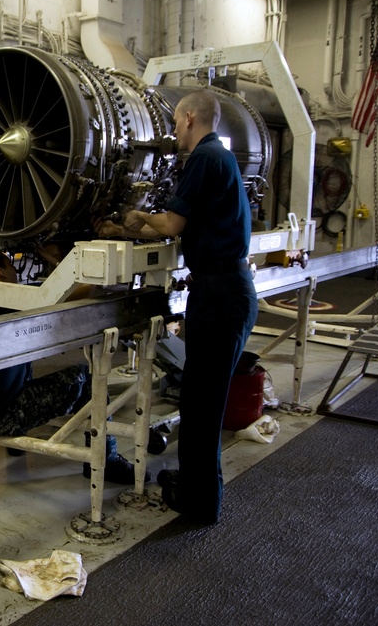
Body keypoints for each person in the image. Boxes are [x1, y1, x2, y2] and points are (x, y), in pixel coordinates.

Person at [95, 88, 259, 524]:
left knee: (203, 404)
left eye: (174, 122)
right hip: (225, 288)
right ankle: (196, 489)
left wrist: (135, 220)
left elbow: (171, 223)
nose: (172, 130)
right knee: (202, 399)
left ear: (188, 118)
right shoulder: (220, 157)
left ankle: (200, 504)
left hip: (221, 294)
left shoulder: (205, 158)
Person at [0, 245, 139, 484]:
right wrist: (56, 259)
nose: (14, 271)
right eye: (10, 265)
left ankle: (16, 437)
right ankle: (107, 460)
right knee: (87, 377)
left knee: (18, 366)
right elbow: (86, 288)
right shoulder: (16, 301)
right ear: (1, 273)